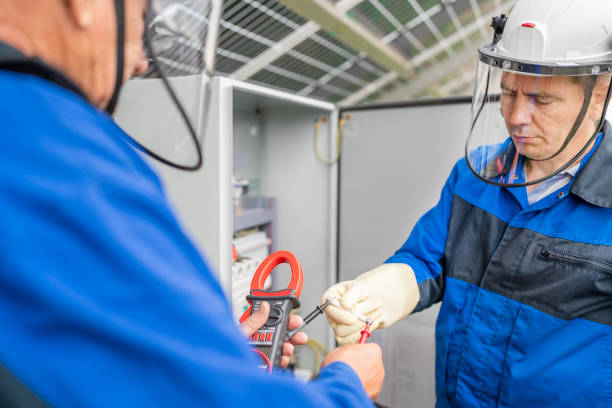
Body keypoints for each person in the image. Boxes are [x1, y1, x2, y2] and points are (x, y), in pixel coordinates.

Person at [0, 0, 384, 407]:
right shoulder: (55, 146)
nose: (140, 62)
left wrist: (204, 350)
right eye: (139, 18)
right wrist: (349, 385)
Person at [323, 1, 612, 406]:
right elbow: (429, 260)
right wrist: (388, 287)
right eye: (508, 92)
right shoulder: (474, 175)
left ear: (598, 95)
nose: (517, 117)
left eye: (542, 100)